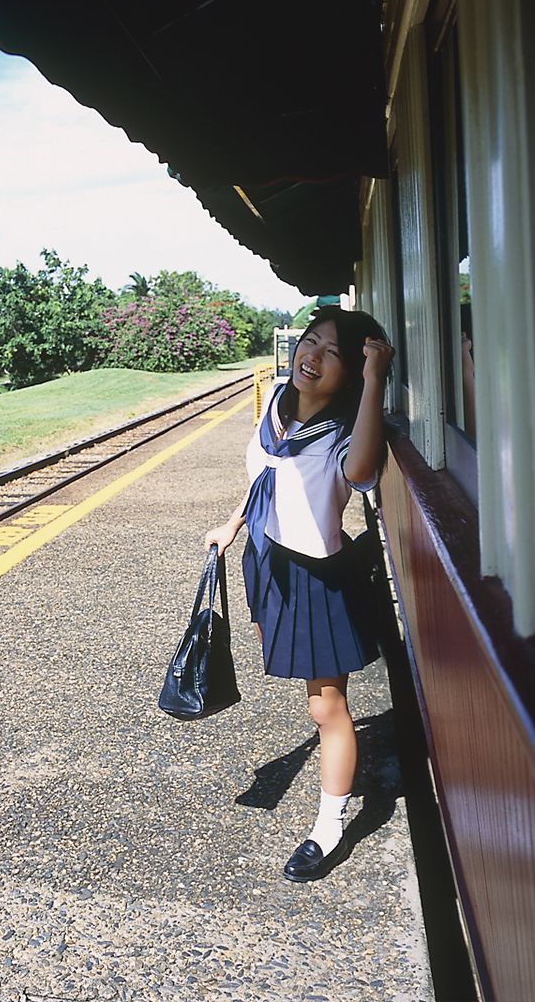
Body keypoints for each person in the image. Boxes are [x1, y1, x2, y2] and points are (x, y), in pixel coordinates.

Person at [204, 305, 394, 883]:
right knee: (309, 696)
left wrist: (376, 380)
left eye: (331, 352)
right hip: (267, 563)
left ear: (350, 371)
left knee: (325, 706)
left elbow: (362, 470)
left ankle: (330, 826)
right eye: (310, 341)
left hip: (315, 577)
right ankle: (337, 797)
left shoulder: (341, 434)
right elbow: (264, 478)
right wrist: (232, 525)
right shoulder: (275, 407)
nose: (310, 355)